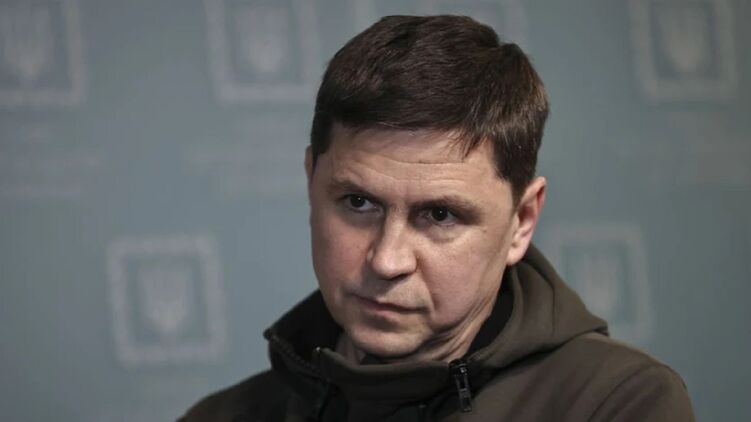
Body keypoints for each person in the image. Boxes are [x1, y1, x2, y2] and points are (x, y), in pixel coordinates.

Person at [181, 15, 694, 421]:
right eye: (358, 203)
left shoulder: (615, 404)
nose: (387, 261)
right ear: (311, 181)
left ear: (521, 221)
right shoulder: (223, 417)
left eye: (440, 215)